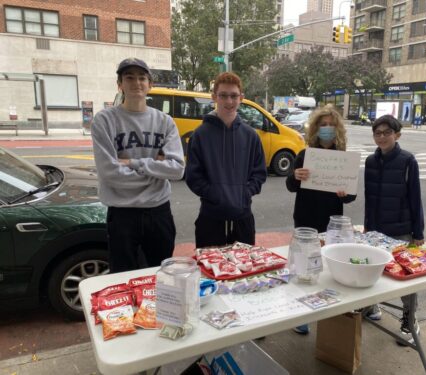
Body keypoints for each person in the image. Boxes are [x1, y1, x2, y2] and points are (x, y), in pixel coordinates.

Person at [92, 57, 185, 273]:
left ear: (150, 84)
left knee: (161, 275)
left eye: (142, 77)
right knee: (123, 277)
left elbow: (177, 169)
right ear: (120, 84)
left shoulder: (164, 121)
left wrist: (133, 163)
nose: (137, 83)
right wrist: (156, 169)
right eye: (129, 77)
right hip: (123, 214)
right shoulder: (104, 121)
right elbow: (110, 173)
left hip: (158, 212)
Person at [286, 104, 356, 334]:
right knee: (304, 266)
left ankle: (329, 311)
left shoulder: (343, 159)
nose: (327, 129)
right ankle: (302, 315)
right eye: (323, 125)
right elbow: (291, 186)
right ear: (316, 129)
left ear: (338, 129)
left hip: (332, 222)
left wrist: (345, 194)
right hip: (306, 218)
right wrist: (295, 176)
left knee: (328, 266)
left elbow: (351, 196)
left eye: (331, 125)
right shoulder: (305, 155)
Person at [185, 72, 267, 248]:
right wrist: (215, 194)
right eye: (223, 95)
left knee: (243, 272)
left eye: (233, 96)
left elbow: (259, 174)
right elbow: (193, 176)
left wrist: (244, 193)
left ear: (241, 98)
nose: (229, 101)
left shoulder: (251, 136)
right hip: (210, 220)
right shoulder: (200, 135)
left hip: (243, 220)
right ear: (214, 97)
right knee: (210, 273)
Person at [364, 114, 425, 344]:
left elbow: (415, 198)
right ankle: (373, 307)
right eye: (377, 133)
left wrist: (418, 233)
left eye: (386, 132)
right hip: (376, 231)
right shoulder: (370, 161)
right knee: (374, 272)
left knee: (405, 279)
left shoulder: (408, 161)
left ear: (397, 135)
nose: (381, 137)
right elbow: (370, 199)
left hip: (401, 231)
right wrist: (368, 228)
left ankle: (410, 320)